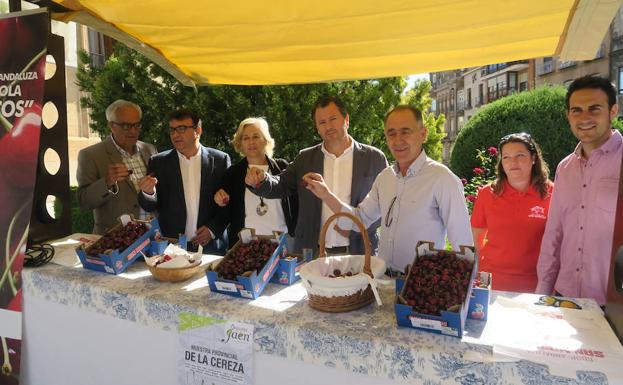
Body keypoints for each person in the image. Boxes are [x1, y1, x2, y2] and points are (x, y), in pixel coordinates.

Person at [301, 105, 472, 271]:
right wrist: (325, 195)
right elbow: (360, 218)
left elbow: (463, 244)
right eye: (392, 133)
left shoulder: (442, 179)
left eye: (405, 132)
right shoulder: (385, 178)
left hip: (420, 286)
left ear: (423, 134)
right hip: (383, 279)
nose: (398, 141)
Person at [245, 96, 387, 254]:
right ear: (317, 127)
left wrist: (354, 228)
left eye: (333, 119)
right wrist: (261, 181)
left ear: (346, 119)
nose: (328, 126)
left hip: (360, 252)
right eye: (322, 122)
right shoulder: (305, 158)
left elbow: (385, 207)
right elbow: (281, 185)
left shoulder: (374, 158)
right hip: (312, 253)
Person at [537, 75, 623, 305]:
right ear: (568, 116)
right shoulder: (565, 168)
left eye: (594, 109)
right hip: (566, 298)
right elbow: (554, 232)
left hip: (614, 304)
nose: (584, 118)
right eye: (576, 110)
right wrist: (542, 291)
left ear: (613, 111)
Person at [138, 109, 230, 254]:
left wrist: (213, 230)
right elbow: (149, 206)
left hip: (211, 247)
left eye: (181, 129)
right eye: (172, 130)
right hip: (171, 247)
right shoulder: (159, 162)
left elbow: (230, 204)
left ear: (198, 130)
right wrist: (148, 192)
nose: (175, 134)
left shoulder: (220, 160)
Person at [471, 133, 553, 292]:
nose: (512, 162)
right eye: (506, 157)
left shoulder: (553, 193)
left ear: (533, 158)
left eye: (520, 155)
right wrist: (476, 277)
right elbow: (476, 241)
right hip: (491, 282)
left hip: (536, 284)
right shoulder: (487, 194)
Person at [76, 99, 157, 234]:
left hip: (151, 235)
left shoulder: (149, 149)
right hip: (115, 241)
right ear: (111, 125)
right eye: (126, 126)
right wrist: (107, 183)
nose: (133, 131)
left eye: (136, 125)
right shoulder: (90, 155)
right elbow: (84, 202)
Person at [214, 117, 297, 246]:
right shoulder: (232, 174)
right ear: (240, 143)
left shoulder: (282, 167)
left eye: (256, 136)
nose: (251, 142)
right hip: (245, 246)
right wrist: (220, 200)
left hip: (282, 243)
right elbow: (225, 211)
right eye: (245, 138)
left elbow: (296, 204)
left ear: (265, 140)